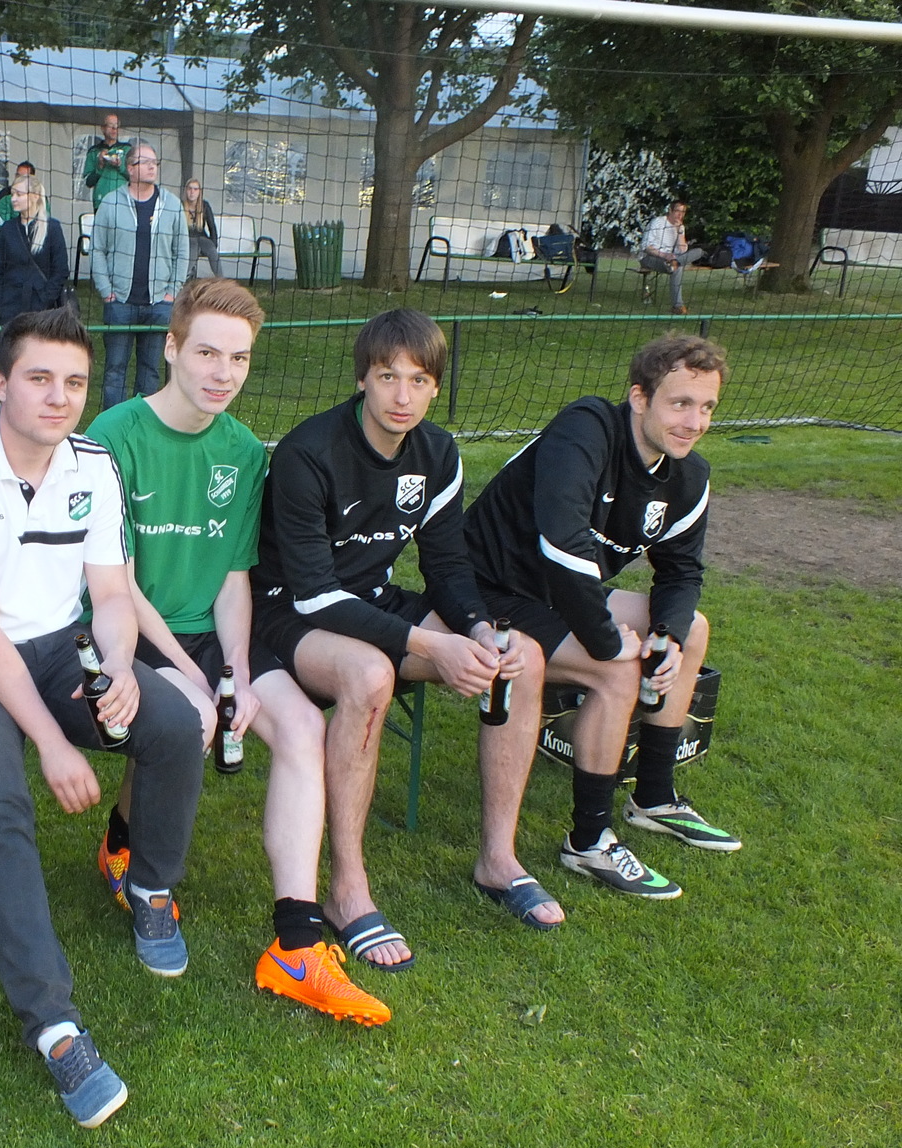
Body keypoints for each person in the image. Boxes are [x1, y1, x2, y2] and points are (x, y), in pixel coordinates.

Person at [0, 307, 204, 1128]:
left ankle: (149, 883)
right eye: (39, 378)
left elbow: (110, 593)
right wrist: (51, 743)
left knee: (173, 724)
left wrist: (120, 666)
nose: (59, 397)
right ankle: (54, 1025)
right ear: (0, 383)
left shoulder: (93, 464)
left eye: (74, 381)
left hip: (59, 645)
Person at [86, 278, 391, 1023]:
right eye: (208, 353)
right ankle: (140, 868)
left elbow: (232, 579)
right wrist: (199, 679)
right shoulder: (113, 435)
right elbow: (119, 583)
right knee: (189, 720)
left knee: (302, 726)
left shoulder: (244, 450)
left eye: (240, 358)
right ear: (170, 348)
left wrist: (238, 672)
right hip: (125, 625)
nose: (224, 373)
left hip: (205, 633)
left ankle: (296, 946)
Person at [251, 309, 562, 972]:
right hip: (287, 615)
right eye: (388, 376)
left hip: (372, 603)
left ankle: (498, 859)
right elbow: (312, 593)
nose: (402, 395)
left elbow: (447, 565)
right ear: (362, 378)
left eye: (419, 380)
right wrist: (429, 646)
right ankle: (347, 890)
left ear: (435, 387)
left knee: (523, 657)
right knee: (370, 676)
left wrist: (477, 629)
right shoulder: (308, 452)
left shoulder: (437, 452)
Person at [464, 333, 737, 901]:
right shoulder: (585, 429)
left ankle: (654, 798)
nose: (694, 422)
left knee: (691, 629)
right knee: (614, 671)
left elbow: (682, 573)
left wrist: (665, 635)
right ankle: (588, 840)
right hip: (491, 593)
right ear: (639, 397)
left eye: (707, 407)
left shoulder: (689, 475)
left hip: (560, 594)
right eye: (680, 403)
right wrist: (609, 642)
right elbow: (562, 546)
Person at [90, 139, 188, 409]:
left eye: (154, 162)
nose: (152, 167)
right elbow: (97, 249)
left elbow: (182, 252)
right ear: (130, 168)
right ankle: (112, 425)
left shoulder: (172, 205)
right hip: (120, 303)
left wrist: (172, 292)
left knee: (150, 371)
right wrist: (106, 291)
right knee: (114, 371)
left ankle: (143, 423)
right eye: (145, 162)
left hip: (158, 304)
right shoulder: (111, 203)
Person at [0, 175, 68, 326]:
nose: (13, 199)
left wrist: (46, 299)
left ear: (35, 196)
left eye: (19, 194)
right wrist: (0, 302)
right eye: (12, 194)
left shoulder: (52, 228)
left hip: (42, 311)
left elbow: (60, 270)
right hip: (9, 308)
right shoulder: (7, 229)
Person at [639, 201, 705, 316]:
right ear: (670, 210)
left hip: (671, 259)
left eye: (683, 212)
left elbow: (682, 251)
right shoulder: (658, 222)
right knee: (677, 267)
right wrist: (664, 255)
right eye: (677, 211)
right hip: (651, 257)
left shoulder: (680, 226)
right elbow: (646, 247)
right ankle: (678, 306)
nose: (680, 215)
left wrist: (679, 231)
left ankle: (675, 263)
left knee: (699, 252)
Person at [83, 113, 131, 209]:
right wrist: (100, 166)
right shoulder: (94, 151)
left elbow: (135, 177)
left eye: (116, 126)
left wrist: (120, 166)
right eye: (110, 125)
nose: (114, 129)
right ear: (103, 128)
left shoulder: (127, 149)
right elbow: (88, 182)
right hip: (101, 201)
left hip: (123, 202)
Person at [182, 179, 221, 280]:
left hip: (202, 238)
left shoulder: (205, 205)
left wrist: (214, 243)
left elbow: (212, 226)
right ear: (186, 190)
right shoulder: (180, 205)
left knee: (213, 252)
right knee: (193, 250)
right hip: (187, 239)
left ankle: (222, 281)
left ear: (199, 192)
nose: (192, 192)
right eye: (190, 189)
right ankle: (183, 279)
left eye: (195, 189)